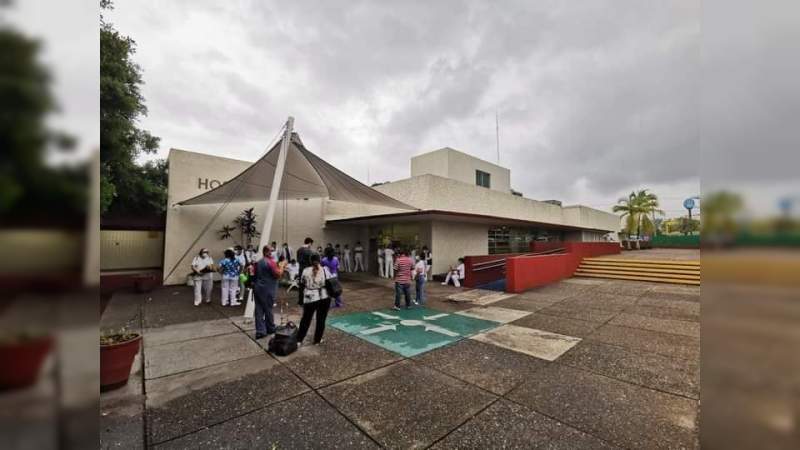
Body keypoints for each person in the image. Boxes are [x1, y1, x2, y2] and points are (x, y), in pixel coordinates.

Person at [296, 254, 332, 345]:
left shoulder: (305, 270)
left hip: (310, 297)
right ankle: (317, 340)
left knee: (306, 319)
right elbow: (330, 282)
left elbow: (302, 283)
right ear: (320, 260)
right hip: (324, 297)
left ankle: (299, 340)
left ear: (310, 261)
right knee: (321, 320)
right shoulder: (325, 270)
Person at [252, 245, 283, 339]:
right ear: (265, 252)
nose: (272, 252)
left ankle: (260, 331)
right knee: (268, 309)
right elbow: (278, 274)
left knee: (259, 309)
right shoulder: (271, 262)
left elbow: (254, 274)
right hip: (268, 289)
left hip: (257, 288)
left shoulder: (258, 263)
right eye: (271, 251)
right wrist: (282, 266)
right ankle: (270, 327)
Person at [297, 237, 316, 305]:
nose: (311, 245)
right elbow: (311, 262)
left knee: (301, 286)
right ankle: (308, 300)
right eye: (311, 244)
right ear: (309, 243)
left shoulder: (299, 250)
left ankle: (300, 301)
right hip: (307, 270)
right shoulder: (308, 251)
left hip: (300, 269)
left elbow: (298, 260)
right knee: (308, 285)